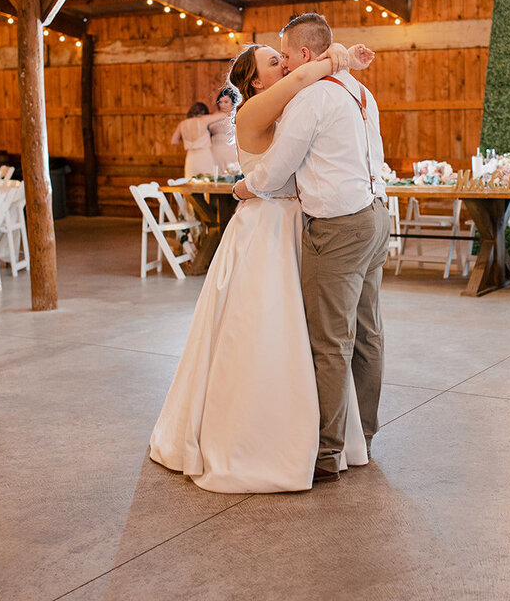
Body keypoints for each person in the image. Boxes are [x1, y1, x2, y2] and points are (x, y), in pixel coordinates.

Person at [149, 38, 376, 493]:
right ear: (254, 80)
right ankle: (258, 440)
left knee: (317, 333)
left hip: (302, 224)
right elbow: (300, 81)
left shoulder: (295, 105)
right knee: (265, 332)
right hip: (267, 230)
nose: (286, 64)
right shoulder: (253, 111)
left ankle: (324, 436)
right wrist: (341, 57)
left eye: (285, 57)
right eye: (275, 62)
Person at [235, 13, 390, 484]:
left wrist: (244, 187)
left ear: (304, 55)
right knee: (368, 333)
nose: (284, 64)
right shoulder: (363, 93)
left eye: (285, 54)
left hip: (338, 228)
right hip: (377, 214)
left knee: (330, 343)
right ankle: (363, 433)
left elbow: (277, 170)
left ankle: (326, 452)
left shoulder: (310, 99)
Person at [170, 102, 226, 178]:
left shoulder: (182, 124)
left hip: (191, 158)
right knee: (208, 181)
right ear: (204, 112)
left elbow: (174, 141)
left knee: (191, 182)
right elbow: (223, 115)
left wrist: (186, 138)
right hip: (204, 155)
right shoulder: (204, 119)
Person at [208, 87, 239, 174]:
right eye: (220, 102)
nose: (222, 105)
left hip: (231, 149)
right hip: (215, 150)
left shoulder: (237, 116)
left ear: (233, 102)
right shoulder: (214, 116)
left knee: (232, 173)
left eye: (226, 102)